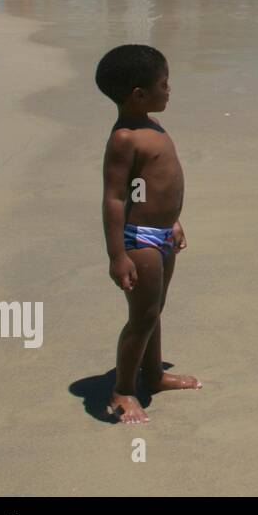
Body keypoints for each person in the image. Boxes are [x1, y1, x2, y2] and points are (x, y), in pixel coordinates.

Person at [95, 44, 200, 424]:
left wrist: (172, 219)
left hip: (162, 232)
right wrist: (117, 255)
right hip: (138, 240)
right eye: (164, 84)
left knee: (154, 310)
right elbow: (114, 198)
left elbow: (151, 186)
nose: (169, 89)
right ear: (139, 95)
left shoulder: (152, 124)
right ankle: (123, 389)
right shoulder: (125, 138)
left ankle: (152, 375)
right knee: (141, 317)